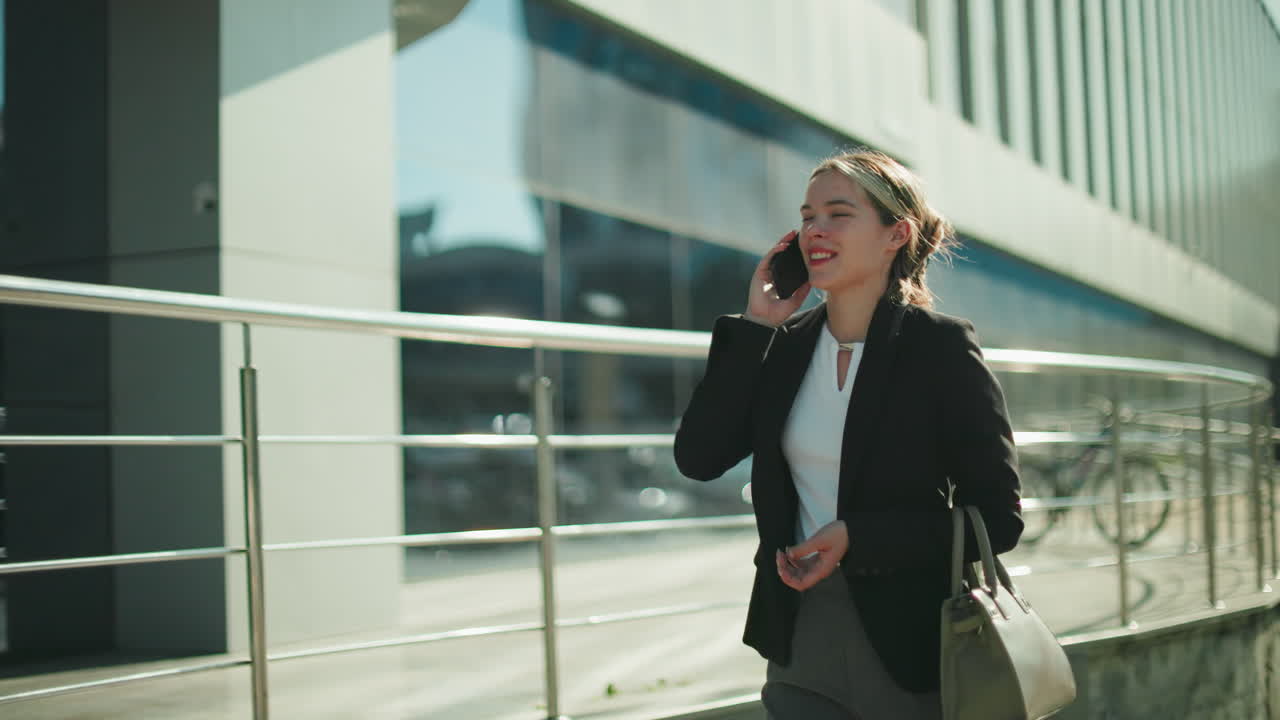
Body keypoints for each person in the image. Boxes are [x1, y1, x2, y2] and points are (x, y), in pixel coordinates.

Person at [673, 149, 1023, 719]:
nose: (816, 229)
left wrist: (858, 537)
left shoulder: (938, 348)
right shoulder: (783, 348)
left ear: (895, 234)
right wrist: (756, 327)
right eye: (808, 216)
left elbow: (999, 518)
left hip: (912, 650)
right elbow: (699, 457)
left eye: (839, 213)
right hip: (798, 645)